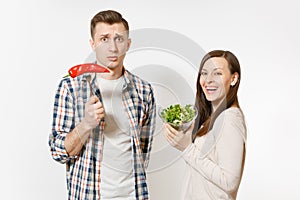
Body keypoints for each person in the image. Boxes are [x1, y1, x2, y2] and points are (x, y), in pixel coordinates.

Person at [49, 10, 156, 200]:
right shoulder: (71, 88)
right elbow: (58, 152)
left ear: (128, 44)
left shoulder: (143, 90)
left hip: (134, 195)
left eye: (119, 39)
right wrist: (86, 125)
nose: (113, 48)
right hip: (89, 194)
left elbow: (143, 152)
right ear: (93, 44)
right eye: (104, 39)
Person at [163, 50, 247, 199]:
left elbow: (229, 181)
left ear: (233, 79)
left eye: (217, 73)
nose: (208, 80)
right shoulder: (214, 118)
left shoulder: (229, 119)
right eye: (204, 73)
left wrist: (187, 148)